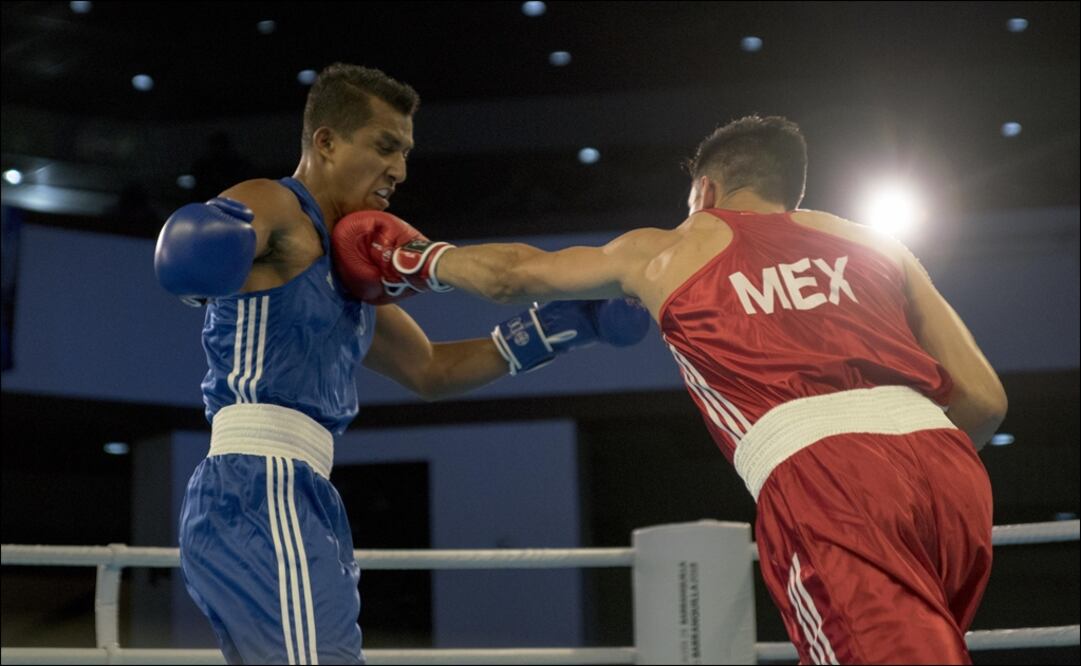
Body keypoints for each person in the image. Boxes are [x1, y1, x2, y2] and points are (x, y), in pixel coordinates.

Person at [338, 115, 1008, 664]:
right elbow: (984, 402)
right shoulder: (877, 244)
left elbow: (512, 275)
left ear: (705, 191)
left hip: (829, 478)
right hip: (950, 475)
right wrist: (906, 458)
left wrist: (417, 258)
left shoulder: (672, 246)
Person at [152, 62, 649, 665]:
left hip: (300, 489)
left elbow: (432, 369)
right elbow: (202, 247)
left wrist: (564, 328)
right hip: (258, 482)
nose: (400, 170)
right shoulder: (276, 204)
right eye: (385, 146)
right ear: (326, 142)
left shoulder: (349, 272)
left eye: (406, 153)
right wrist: (207, 248)